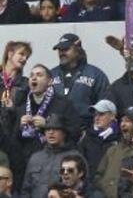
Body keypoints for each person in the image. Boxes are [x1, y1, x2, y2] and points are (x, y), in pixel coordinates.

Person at [12, 64, 81, 192]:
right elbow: (12, 141)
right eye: (31, 75)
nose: (33, 78)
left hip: (56, 162)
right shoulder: (21, 106)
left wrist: (48, 125)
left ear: (49, 81)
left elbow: (75, 132)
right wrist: (19, 127)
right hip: (27, 165)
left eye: (39, 75)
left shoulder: (63, 104)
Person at [51, 33, 109, 128]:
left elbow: (104, 105)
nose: (62, 53)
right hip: (56, 129)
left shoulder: (95, 74)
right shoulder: (51, 74)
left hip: (85, 130)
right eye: (60, 50)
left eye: (66, 49)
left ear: (78, 49)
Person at [21, 114, 83, 198]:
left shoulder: (75, 157)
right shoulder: (35, 158)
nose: (51, 132)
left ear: (64, 133)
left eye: (55, 129)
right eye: (47, 129)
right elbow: (26, 190)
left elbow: (82, 187)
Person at [94, 106, 133, 198]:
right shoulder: (112, 150)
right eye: (122, 121)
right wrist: (105, 188)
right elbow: (98, 176)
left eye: (128, 121)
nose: (123, 124)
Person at [78, 99, 120, 180]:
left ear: (112, 116)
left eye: (101, 114)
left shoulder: (120, 138)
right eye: (95, 114)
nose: (96, 118)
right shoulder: (86, 137)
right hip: (89, 185)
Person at [0, 41, 31, 136]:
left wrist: (13, 108)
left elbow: (28, 111)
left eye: (27, 57)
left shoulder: (26, 84)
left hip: (13, 136)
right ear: (9, 54)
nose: (24, 59)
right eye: (21, 54)